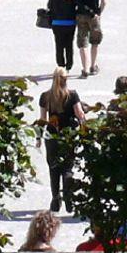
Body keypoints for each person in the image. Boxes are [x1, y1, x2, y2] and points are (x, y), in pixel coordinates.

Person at [38, 69, 86, 215]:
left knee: (53, 168)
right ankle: (68, 197)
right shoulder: (72, 95)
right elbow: (80, 115)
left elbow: (42, 120)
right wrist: (84, 132)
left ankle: (55, 200)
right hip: (68, 137)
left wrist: (38, 138)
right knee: (67, 169)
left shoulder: (45, 96)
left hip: (51, 137)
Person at [73, 0, 107, 77]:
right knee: (95, 42)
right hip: (94, 16)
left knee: (82, 43)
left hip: (81, 14)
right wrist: (99, 13)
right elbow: (104, 2)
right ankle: (93, 66)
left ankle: (85, 69)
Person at [46, 0, 79, 71]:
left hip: (57, 22)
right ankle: (69, 66)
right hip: (70, 21)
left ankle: (61, 66)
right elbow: (74, 0)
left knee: (59, 46)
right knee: (69, 45)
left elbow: (49, 5)